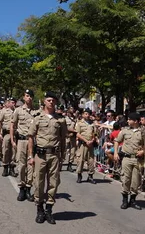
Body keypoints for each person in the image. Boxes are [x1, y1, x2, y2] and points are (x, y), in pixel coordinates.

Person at [28, 91, 67, 224]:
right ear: (44, 101)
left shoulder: (60, 120)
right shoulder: (38, 118)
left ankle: (49, 210)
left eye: (53, 100)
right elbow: (30, 137)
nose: (51, 102)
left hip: (54, 155)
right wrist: (30, 156)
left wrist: (62, 157)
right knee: (38, 182)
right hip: (40, 155)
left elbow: (62, 139)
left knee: (53, 183)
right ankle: (39, 210)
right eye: (49, 100)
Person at [114, 112, 145, 209]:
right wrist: (116, 153)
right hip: (126, 158)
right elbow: (117, 141)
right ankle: (124, 200)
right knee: (125, 179)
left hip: (137, 160)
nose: (128, 121)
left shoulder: (143, 132)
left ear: (136, 121)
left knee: (135, 181)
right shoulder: (124, 131)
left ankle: (133, 200)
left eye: (130, 119)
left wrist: (143, 151)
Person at [11, 89, 37, 202]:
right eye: (27, 96)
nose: (29, 98)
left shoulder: (37, 112)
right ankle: (21, 188)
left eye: (31, 96)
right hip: (21, 141)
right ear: (23, 97)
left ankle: (28, 189)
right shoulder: (18, 110)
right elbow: (13, 125)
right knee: (21, 165)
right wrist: (12, 140)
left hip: (32, 141)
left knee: (31, 165)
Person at [75, 108, 97, 184]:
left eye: (88, 114)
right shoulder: (79, 123)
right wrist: (86, 141)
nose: (87, 115)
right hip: (83, 144)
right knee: (80, 160)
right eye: (85, 114)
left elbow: (95, 134)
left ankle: (90, 176)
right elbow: (77, 133)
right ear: (83, 114)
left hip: (90, 144)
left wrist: (92, 140)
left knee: (91, 160)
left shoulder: (92, 124)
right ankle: (79, 175)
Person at [0, 97, 16, 177]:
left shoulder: (18, 111)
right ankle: (5, 168)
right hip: (7, 134)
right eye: (11, 102)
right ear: (8, 103)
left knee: (14, 152)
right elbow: (0, 122)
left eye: (14, 102)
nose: (13, 103)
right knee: (6, 150)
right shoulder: (4, 111)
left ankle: (12, 168)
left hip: (15, 134)